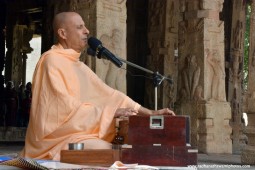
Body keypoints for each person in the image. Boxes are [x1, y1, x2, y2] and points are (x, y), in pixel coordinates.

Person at [20, 11, 175, 161]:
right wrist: (111, 112)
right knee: (107, 149)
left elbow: (110, 95)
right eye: (80, 27)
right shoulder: (51, 61)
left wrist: (149, 113)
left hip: (80, 132)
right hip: (55, 139)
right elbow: (62, 108)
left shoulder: (79, 66)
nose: (87, 31)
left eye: (85, 26)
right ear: (63, 33)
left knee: (130, 139)